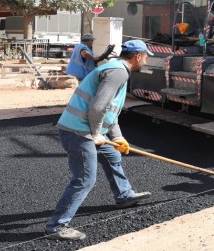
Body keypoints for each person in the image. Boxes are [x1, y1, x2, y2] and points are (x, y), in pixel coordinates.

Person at [44, 39, 154, 241]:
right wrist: (96, 134)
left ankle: (124, 195)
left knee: (112, 156)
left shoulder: (115, 68)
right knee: (84, 179)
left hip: (83, 128)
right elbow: (97, 107)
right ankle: (57, 226)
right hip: (78, 132)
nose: (146, 61)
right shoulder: (118, 72)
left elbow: (111, 111)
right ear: (138, 56)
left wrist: (118, 136)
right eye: (146, 57)